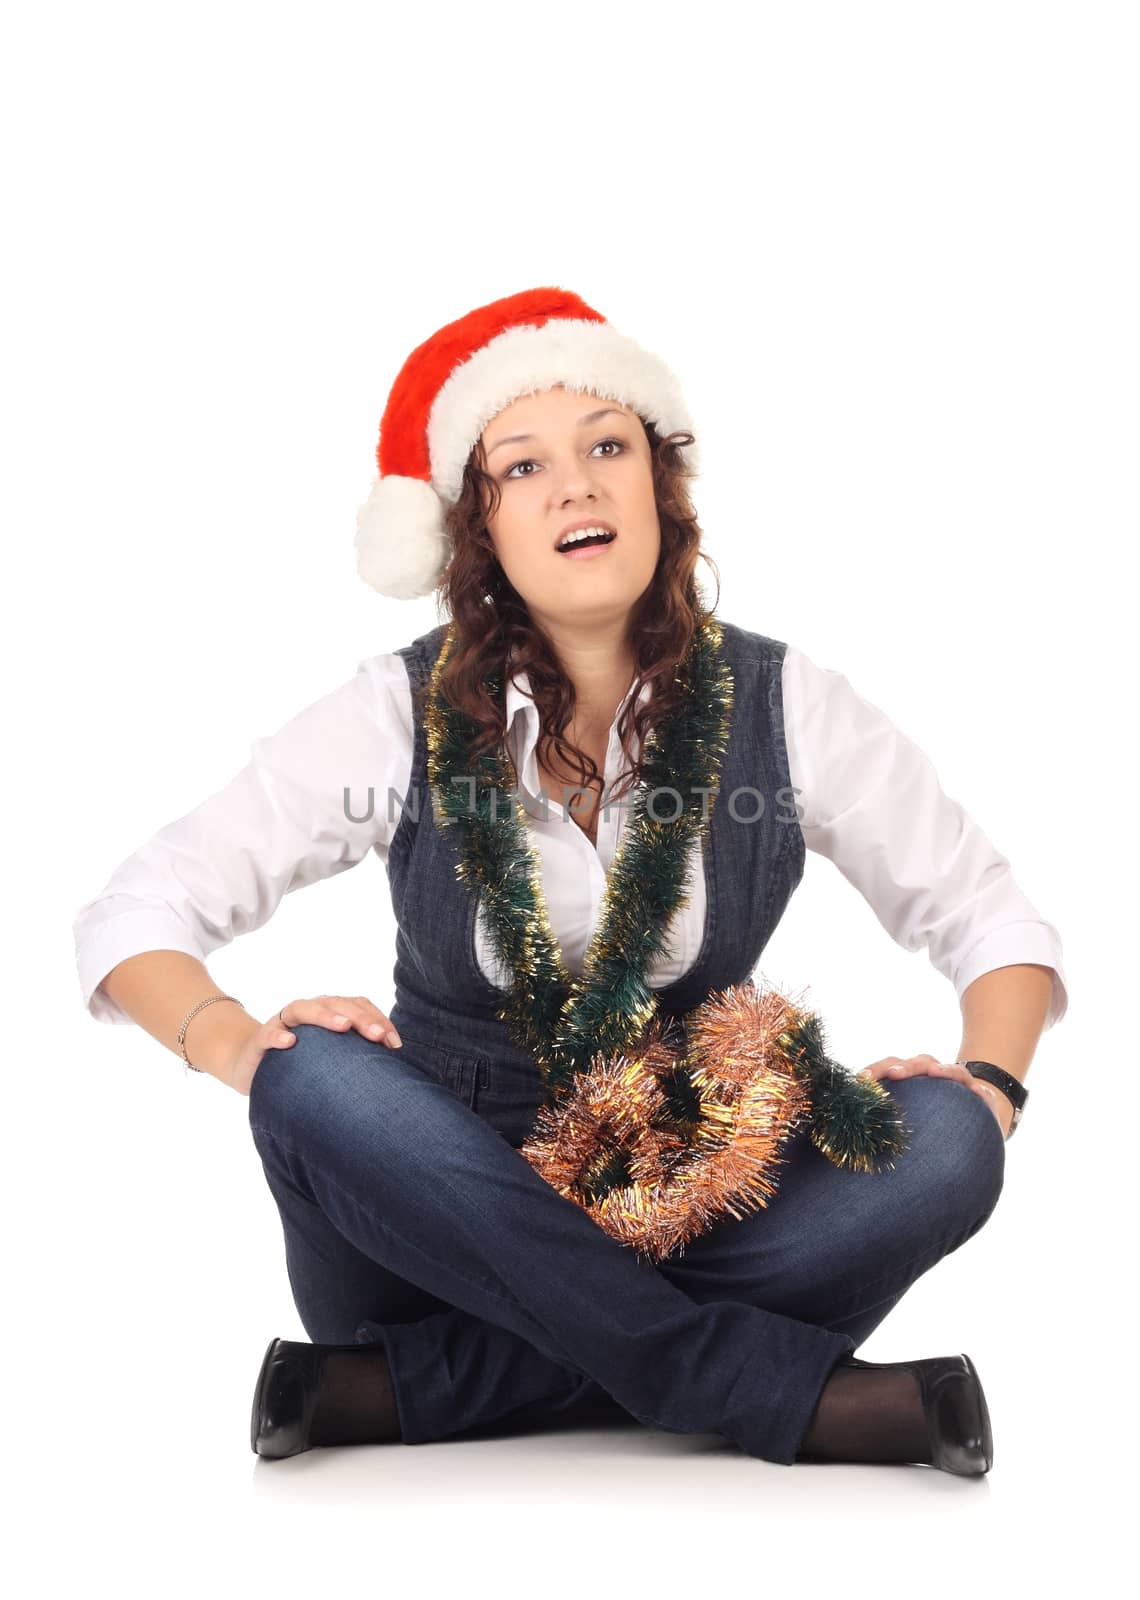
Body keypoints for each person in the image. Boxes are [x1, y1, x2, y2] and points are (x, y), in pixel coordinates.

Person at [72, 286, 1067, 1474]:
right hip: (433, 1219)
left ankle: (403, 1394)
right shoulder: (396, 709)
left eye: (608, 447)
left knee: (950, 1140)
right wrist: (234, 1040)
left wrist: (994, 1080)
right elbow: (134, 909)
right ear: (474, 527)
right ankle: (747, 1383)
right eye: (525, 467)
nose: (579, 485)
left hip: (694, 1189)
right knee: (315, 1078)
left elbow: (993, 915)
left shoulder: (789, 703)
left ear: (660, 486)